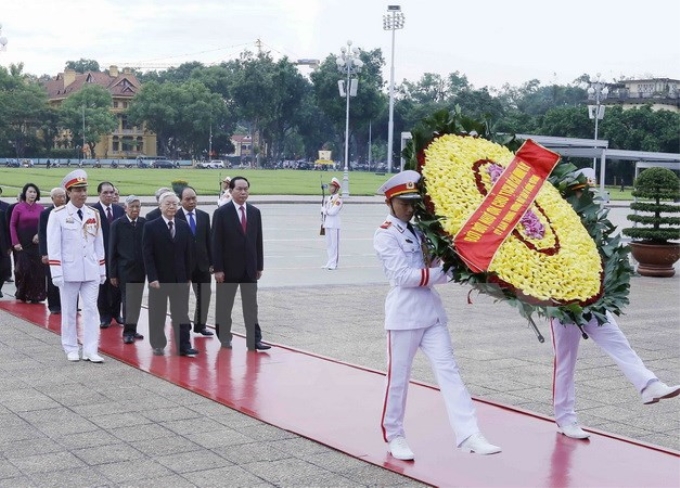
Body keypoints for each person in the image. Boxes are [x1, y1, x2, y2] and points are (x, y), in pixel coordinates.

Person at [373, 170, 501, 461]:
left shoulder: (420, 232)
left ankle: (469, 433)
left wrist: (458, 262)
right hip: (404, 315)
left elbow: (436, 267)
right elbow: (403, 276)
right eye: (403, 202)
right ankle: (395, 435)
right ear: (390, 202)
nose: (409, 208)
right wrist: (442, 272)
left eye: (413, 202)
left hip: (431, 314)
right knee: (398, 379)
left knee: (450, 372)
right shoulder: (384, 234)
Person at [550, 167, 680, 439]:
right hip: (562, 302)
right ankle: (565, 418)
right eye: (580, 190)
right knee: (565, 361)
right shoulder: (554, 220)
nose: (585, 194)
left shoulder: (593, 221)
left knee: (618, 342)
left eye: (588, 189)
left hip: (592, 299)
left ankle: (648, 384)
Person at [47, 169, 106, 363]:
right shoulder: (58, 215)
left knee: (91, 310)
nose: (82, 193)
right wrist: (56, 272)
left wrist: (102, 269)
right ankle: (71, 347)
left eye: (84, 189)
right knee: (69, 311)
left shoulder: (93, 213)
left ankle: (90, 349)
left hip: (90, 270)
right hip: (69, 270)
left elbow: (99, 243)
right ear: (69, 193)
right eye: (77, 190)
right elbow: (54, 246)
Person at [211, 176, 270, 351]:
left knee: (251, 307)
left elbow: (258, 240)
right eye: (239, 189)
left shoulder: (254, 212)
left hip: (249, 269)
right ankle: (224, 337)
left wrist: (259, 265)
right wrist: (218, 268)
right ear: (231, 191)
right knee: (224, 306)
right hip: (227, 270)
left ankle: (254, 340)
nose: (243, 192)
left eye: (246, 189)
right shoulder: (221, 213)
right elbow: (216, 243)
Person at [142, 191, 198, 357]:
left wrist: (188, 276)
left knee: (181, 313)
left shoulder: (183, 225)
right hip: (159, 279)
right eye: (168, 204)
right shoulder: (151, 226)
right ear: (160, 206)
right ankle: (158, 343)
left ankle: (184, 345)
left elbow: (189, 253)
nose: (172, 207)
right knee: (157, 313)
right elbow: (147, 254)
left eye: (175, 203)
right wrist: (152, 277)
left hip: (180, 279)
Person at [176, 186, 214, 336]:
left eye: (194, 198)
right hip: (183, 267)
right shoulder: (175, 216)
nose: (192, 202)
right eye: (188, 199)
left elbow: (208, 241)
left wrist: (212, 262)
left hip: (202, 265)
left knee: (204, 295)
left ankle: (200, 325)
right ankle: (182, 326)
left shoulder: (204, 216)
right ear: (180, 201)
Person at [109, 195, 146, 344]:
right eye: (132, 207)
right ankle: (128, 332)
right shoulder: (117, 224)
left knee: (136, 301)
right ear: (126, 208)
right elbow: (112, 250)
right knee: (128, 301)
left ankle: (134, 328)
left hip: (140, 269)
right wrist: (112, 273)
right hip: (124, 269)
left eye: (138, 206)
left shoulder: (144, 223)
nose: (135, 209)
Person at [91, 181, 125, 328]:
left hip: (117, 255)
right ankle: (104, 316)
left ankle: (116, 313)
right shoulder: (92, 211)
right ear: (99, 194)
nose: (109, 195)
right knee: (103, 286)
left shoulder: (119, 210)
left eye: (112, 192)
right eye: (105, 192)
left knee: (117, 285)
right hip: (100, 254)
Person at [10, 183, 47, 303]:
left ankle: (36, 295)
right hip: (22, 244)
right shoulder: (18, 208)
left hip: (36, 244)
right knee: (23, 269)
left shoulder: (41, 208)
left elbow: (44, 226)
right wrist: (15, 242)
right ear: (25, 193)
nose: (32, 194)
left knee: (37, 270)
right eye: (30, 191)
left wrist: (39, 235)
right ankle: (23, 293)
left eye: (34, 192)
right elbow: (12, 225)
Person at [39, 187, 67, 313]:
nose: (62, 199)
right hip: (52, 253)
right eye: (59, 196)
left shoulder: (69, 211)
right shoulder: (46, 213)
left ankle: (69, 305)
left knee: (69, 279)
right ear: (52, 198)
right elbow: (42, 234)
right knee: (52, 280)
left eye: (64, 196)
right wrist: (44, 253)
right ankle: (54, 306)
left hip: (67, 252)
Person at [321, 177, 343, 270]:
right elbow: (326, 210)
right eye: (330, 186)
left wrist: (324, 210)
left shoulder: (338, 199)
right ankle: (329, 262)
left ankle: (334, 263)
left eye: (332, 186)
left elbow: (332, 212)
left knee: (334, 244)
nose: (330, 188)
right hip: (328, 223)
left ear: (336, 188)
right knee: (329, 244)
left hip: (334, 224)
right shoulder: (329, 198)